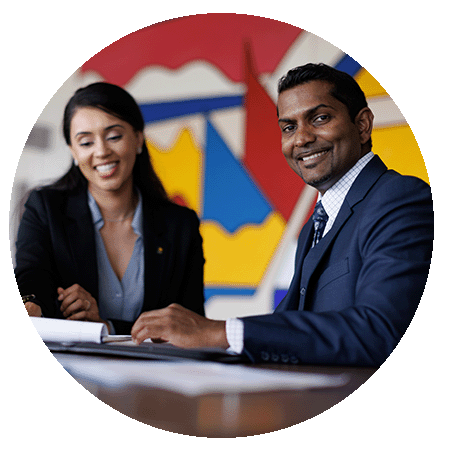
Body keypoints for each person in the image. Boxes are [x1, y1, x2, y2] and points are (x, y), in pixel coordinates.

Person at [130, 63, 433, 366]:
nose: (300, 139)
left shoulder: (400, 198)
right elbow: (287, 325)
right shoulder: (315, 225)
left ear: (363, 124)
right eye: (289, 127)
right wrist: (190, 340)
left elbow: (381, 330)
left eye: (320, 118)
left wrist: (220, 332)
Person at [15, 82, 205, 335]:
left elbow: (190, 324)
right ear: (73, 151)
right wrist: (31, 304)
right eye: (85, 143)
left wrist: (107, 327)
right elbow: (32, 274)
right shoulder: (45, 208)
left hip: (155, 373)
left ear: (138, 139)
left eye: (114, 136)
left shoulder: (180, 225)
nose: (102, 151)